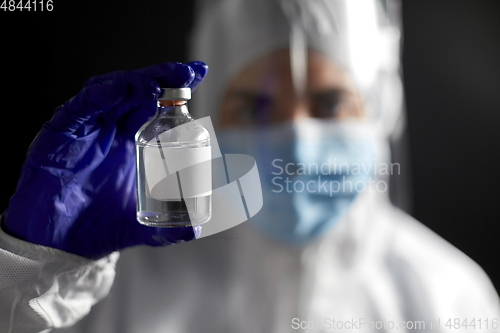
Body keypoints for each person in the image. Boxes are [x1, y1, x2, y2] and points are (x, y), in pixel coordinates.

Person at [1, 0, 499, 332]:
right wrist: (30, 281)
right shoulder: (104, 285)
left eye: (329, 103)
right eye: (255, 107)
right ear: (211, 115)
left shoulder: (448, 298)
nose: (298, 142)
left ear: (380, 108)